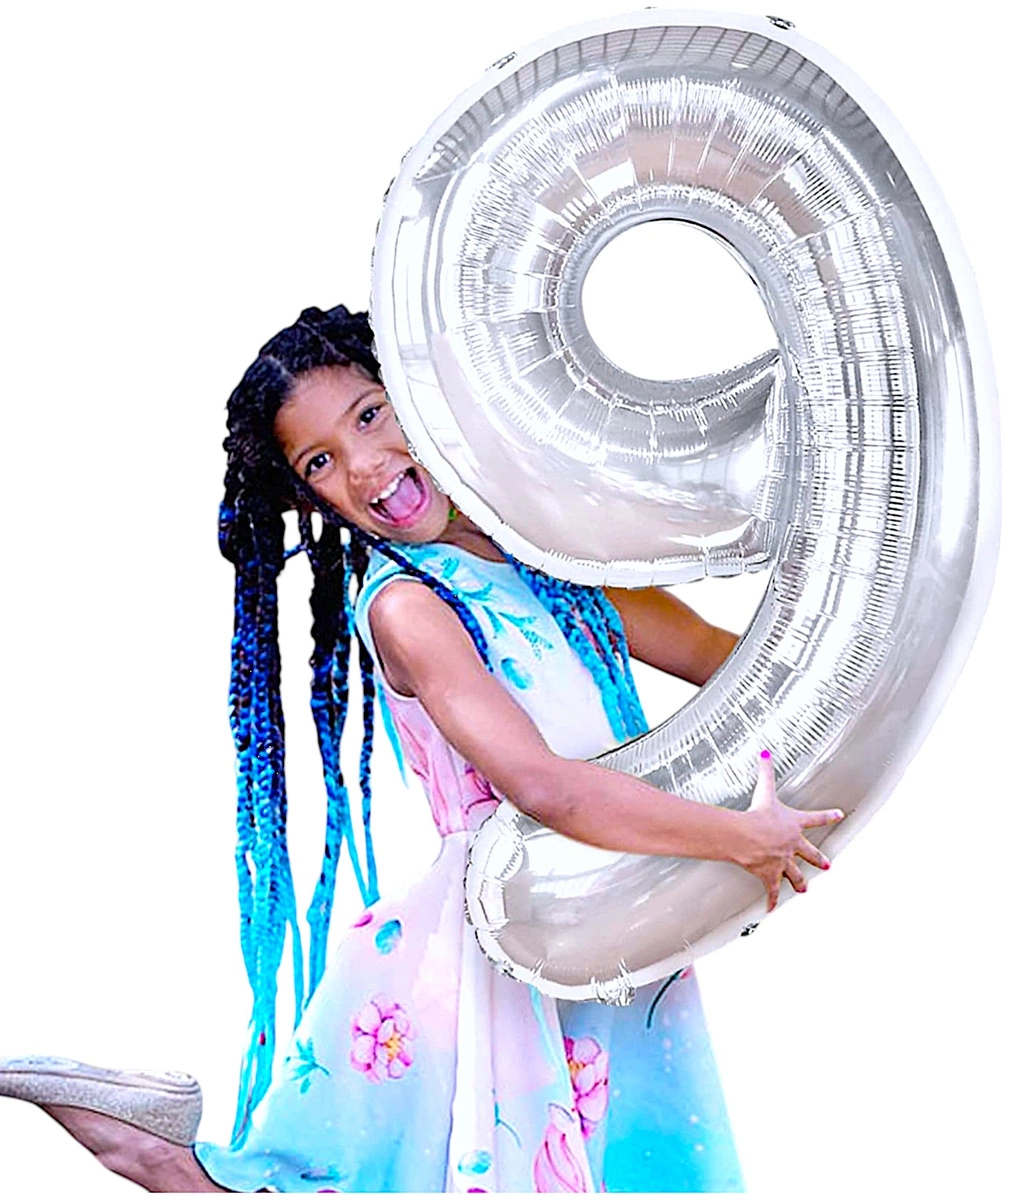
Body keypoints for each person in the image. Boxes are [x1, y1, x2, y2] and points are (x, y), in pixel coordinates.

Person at [0, 305, 842, 1192]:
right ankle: (151, 1152)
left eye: (370, 415)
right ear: (309, 499)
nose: (363, 464)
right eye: (320, 462)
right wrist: (737, 838)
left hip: (606, 920)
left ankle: (159, 1153)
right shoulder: (407, 604)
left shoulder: (550, 565)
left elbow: (719, 658)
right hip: (512, 932)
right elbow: (541, 788)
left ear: (418, 395)